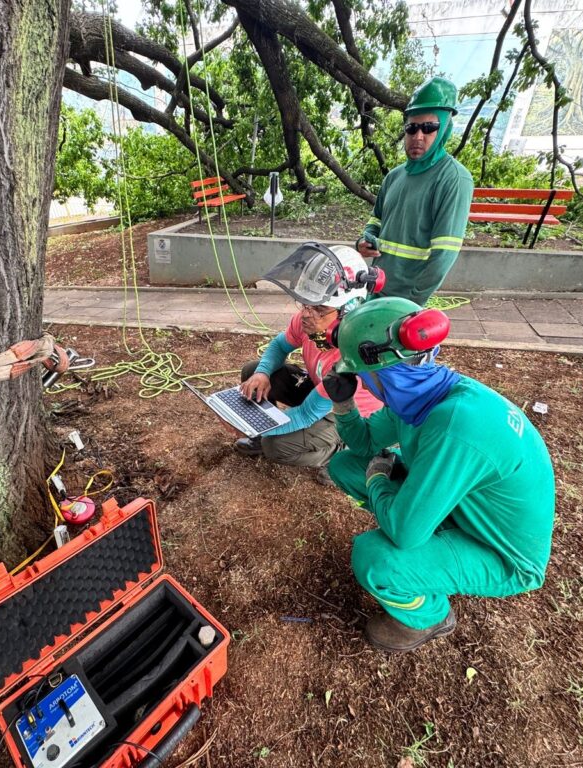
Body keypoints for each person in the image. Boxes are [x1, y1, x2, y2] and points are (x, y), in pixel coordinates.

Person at [321, 297, 555, 653]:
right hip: (465, 509)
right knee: (343, 465)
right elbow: (364, 444)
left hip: (501, 555)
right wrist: (343, 403)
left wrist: (378, 481)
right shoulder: (421, 395)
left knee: (375, 558)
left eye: (360, 377)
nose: (363, 385)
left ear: (380, 374)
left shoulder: (454, 426)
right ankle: (431, 540)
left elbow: (404, 533)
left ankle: (429, 616)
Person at [234, 246, 382, 485]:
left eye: (320, 308)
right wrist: (262, 373)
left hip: (347, 412)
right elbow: (279, 346)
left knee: (275, 447)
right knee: (253, 371)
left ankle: (345, 450)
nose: (307, 314)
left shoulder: (349, 354)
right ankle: (267, 430)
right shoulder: (310, 319)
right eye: (305, 304)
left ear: (349, 308)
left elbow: (306, 414)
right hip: (320, 390)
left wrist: (255, 427)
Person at [357, 77, 474, 306]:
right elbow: (377, 220)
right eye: (412, 128)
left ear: (444, 130)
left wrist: (411, 303)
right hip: (376, 289)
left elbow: (443, 255)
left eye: (429, 128)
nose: (418, 136)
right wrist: (365, 238)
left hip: (409, 300)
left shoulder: (453, 179)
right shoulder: (394, 177)